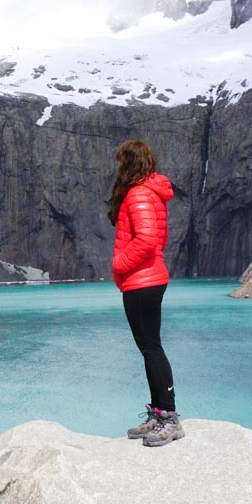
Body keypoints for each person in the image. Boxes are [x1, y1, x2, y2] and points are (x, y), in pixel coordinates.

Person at [109, 139, 182, 447]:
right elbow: (156, 239)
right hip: (148, 279)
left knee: (151, 348)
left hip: (142, 281)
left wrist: (118, 264)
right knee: (150, 348)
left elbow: (147, 240)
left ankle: (169, 418)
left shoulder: (138, 194)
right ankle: (159, 412)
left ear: (129, 163)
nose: (117, 167)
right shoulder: (150, 192)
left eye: (120, 162)